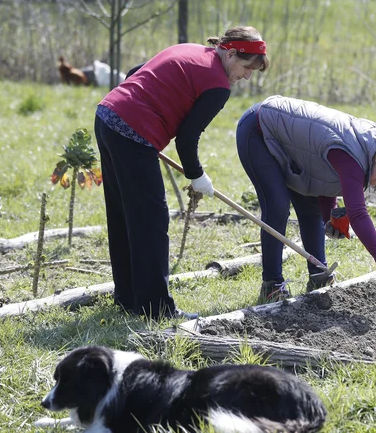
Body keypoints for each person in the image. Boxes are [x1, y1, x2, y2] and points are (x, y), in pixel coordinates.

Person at [94, 26, 269, 319]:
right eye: (246, 66)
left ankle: (127, 298)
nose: (247, 76)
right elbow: (187, 137)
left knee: (124, 214)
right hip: (132, 133)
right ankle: (156, 309)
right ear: (230, 53)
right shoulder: (218, 86)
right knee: (150, 221)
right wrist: (197, 176)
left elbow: (136, 71)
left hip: (108, 116)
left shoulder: (190, 49)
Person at [236, 96, 376, 303]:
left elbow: (323, 173)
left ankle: (318, 275)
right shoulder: (355, 156)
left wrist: (327, 217)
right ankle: (272, 285)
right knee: (277, 207)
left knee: (310, 209)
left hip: (294, 148)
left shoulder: (373, 149)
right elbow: (358, 214)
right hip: (259, 129)